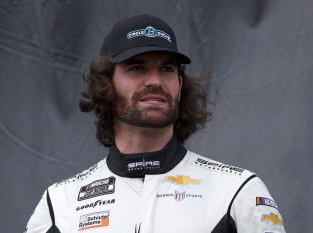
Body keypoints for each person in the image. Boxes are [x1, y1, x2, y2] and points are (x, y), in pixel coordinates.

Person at [25, 14, 286, 233]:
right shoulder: (60, 205)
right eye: (137, 68)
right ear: (106, 84)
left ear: (180, 85)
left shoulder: (236, 193)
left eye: (167, 69)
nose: (155, 81)